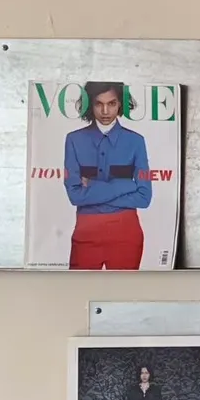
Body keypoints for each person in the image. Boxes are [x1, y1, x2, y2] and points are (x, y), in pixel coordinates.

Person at [63, 82, 153, 269]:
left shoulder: (136, 141)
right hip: (86, 233)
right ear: (90, 104)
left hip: (126, 234)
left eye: (111, 103)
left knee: (123, 288)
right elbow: (75, 196)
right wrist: (127, 185)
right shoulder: (74, 140)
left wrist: (93, 188)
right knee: (78, 287)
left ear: (120, 104)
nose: (105, 111)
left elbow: (144, 197)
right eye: (98, 103)